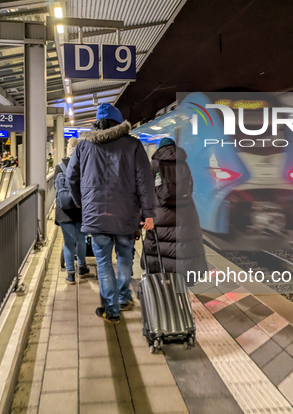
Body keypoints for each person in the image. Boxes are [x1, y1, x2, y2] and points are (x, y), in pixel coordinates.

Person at [67, 103, 156, 324]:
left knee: (104, 262)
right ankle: (125, 298)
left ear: (97, 123)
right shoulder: (134, 146)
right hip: (126, 215)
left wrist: (83, 204)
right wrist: (149, 213)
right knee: (125, 257)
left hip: (96, 216)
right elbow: (145, 181)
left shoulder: (82, 146)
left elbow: (71, 178)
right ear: (119, 123)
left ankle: (111, 310)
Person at [142, 138, 207, 283]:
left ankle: (160, 281)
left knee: (158, 248)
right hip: (184, 214)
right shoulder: (184, 164)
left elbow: (146, 191)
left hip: (159, 213)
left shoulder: (154, 164)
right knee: (182, 247)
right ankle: (182, 283)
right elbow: (189, 188)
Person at [55, 137, 91, 284]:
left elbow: (56, 189)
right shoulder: (84, 165)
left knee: (68, 242)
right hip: (80, 209)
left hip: (64, 211)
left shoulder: (59, 166)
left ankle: (70, 274)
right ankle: (82, 268)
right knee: (81, 240)